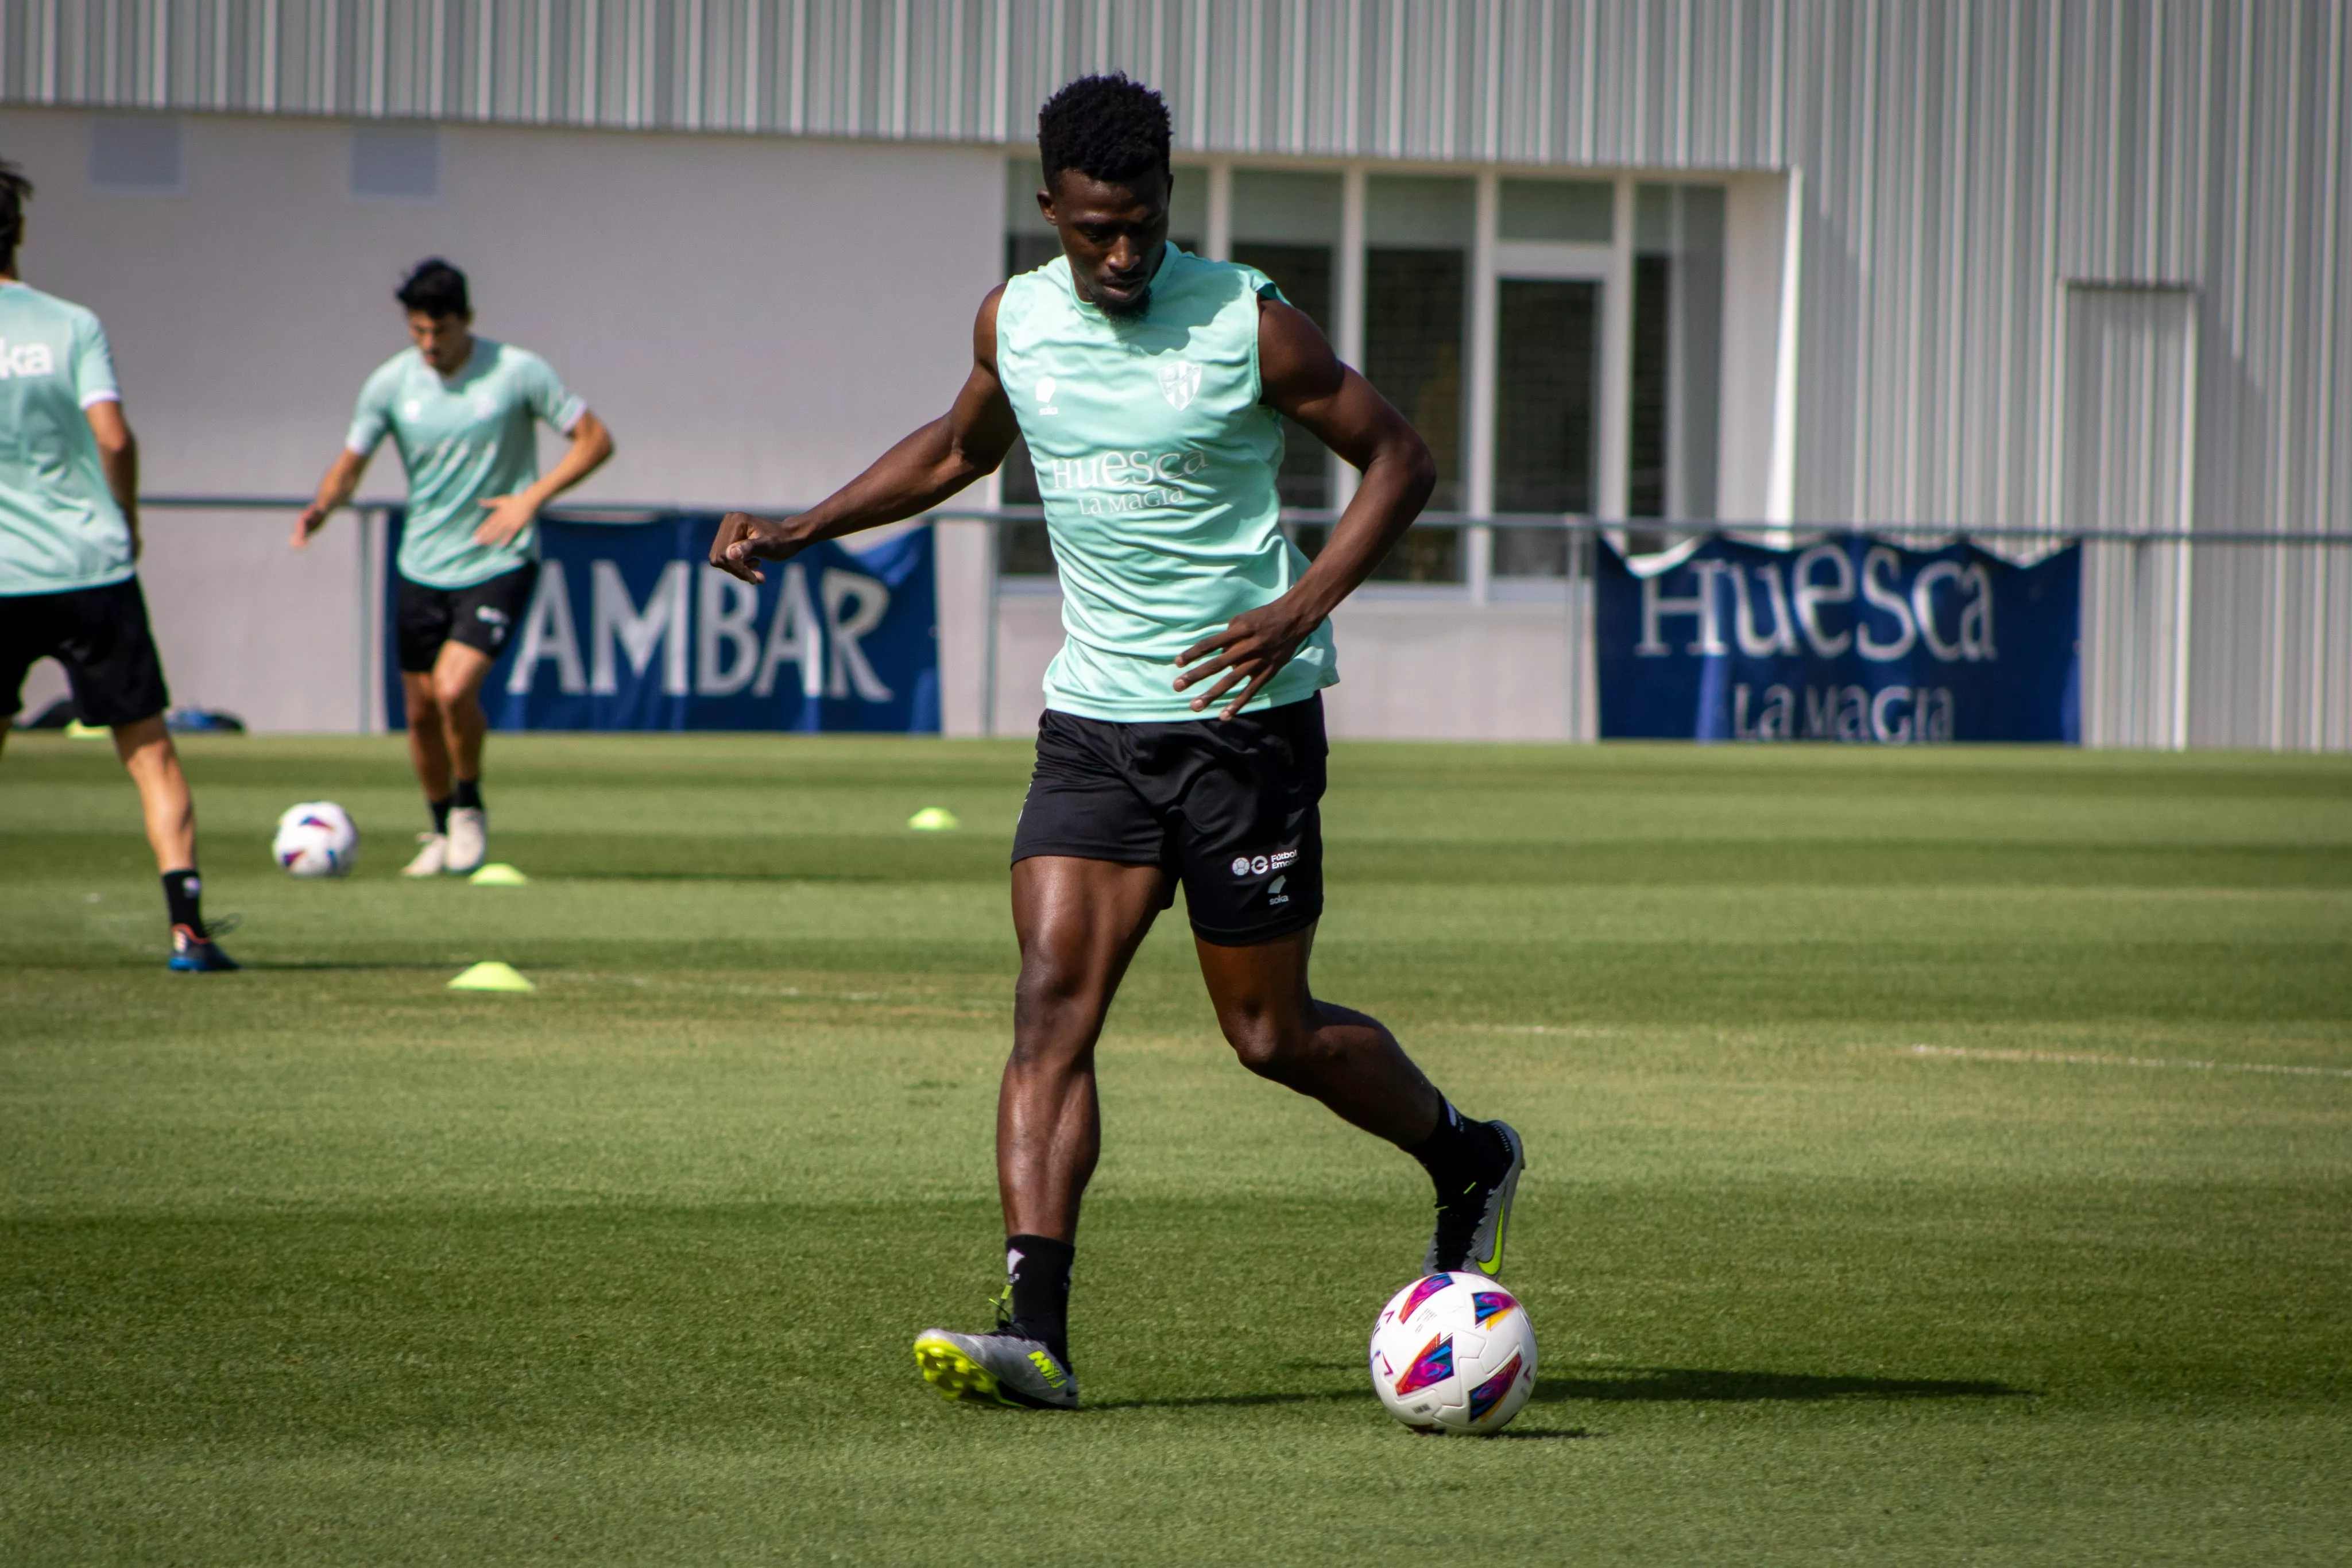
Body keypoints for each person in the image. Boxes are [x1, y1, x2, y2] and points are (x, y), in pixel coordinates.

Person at [709, 74, 1523, 1412]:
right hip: (1095, 727)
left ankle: (1465, 1155)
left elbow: (1402, 459)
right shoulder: (1014, 319)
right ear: (1049, 213)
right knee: (1049, 1008)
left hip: (1243, 734)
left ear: (1167, 205)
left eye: (1141, 225)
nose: (1122, 253)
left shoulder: (1250, 324)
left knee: (1269, 1037)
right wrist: (802, 526)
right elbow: (956, 452)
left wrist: (1301, 603)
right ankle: (1035, 1331)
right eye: (1095, 230)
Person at [293, 259, 612, 876]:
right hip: (421, 563)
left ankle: (469, 805)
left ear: (467, 320)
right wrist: (323, 506)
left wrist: (532, 497)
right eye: (418, 332)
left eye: (441, 331)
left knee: (453, 689)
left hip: (499, 557)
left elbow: (596, 439)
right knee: (418, 711)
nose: (430, 345)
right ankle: (440, 827)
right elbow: (351, 461)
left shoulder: (518, 372)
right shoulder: (390, 384)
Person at [0, 158, 237, 973]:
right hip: (89, 567)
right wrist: (123, 520)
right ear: (20, 232)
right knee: (149, 750)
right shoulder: (71, 324)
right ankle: (188, 931)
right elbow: (114, 436)